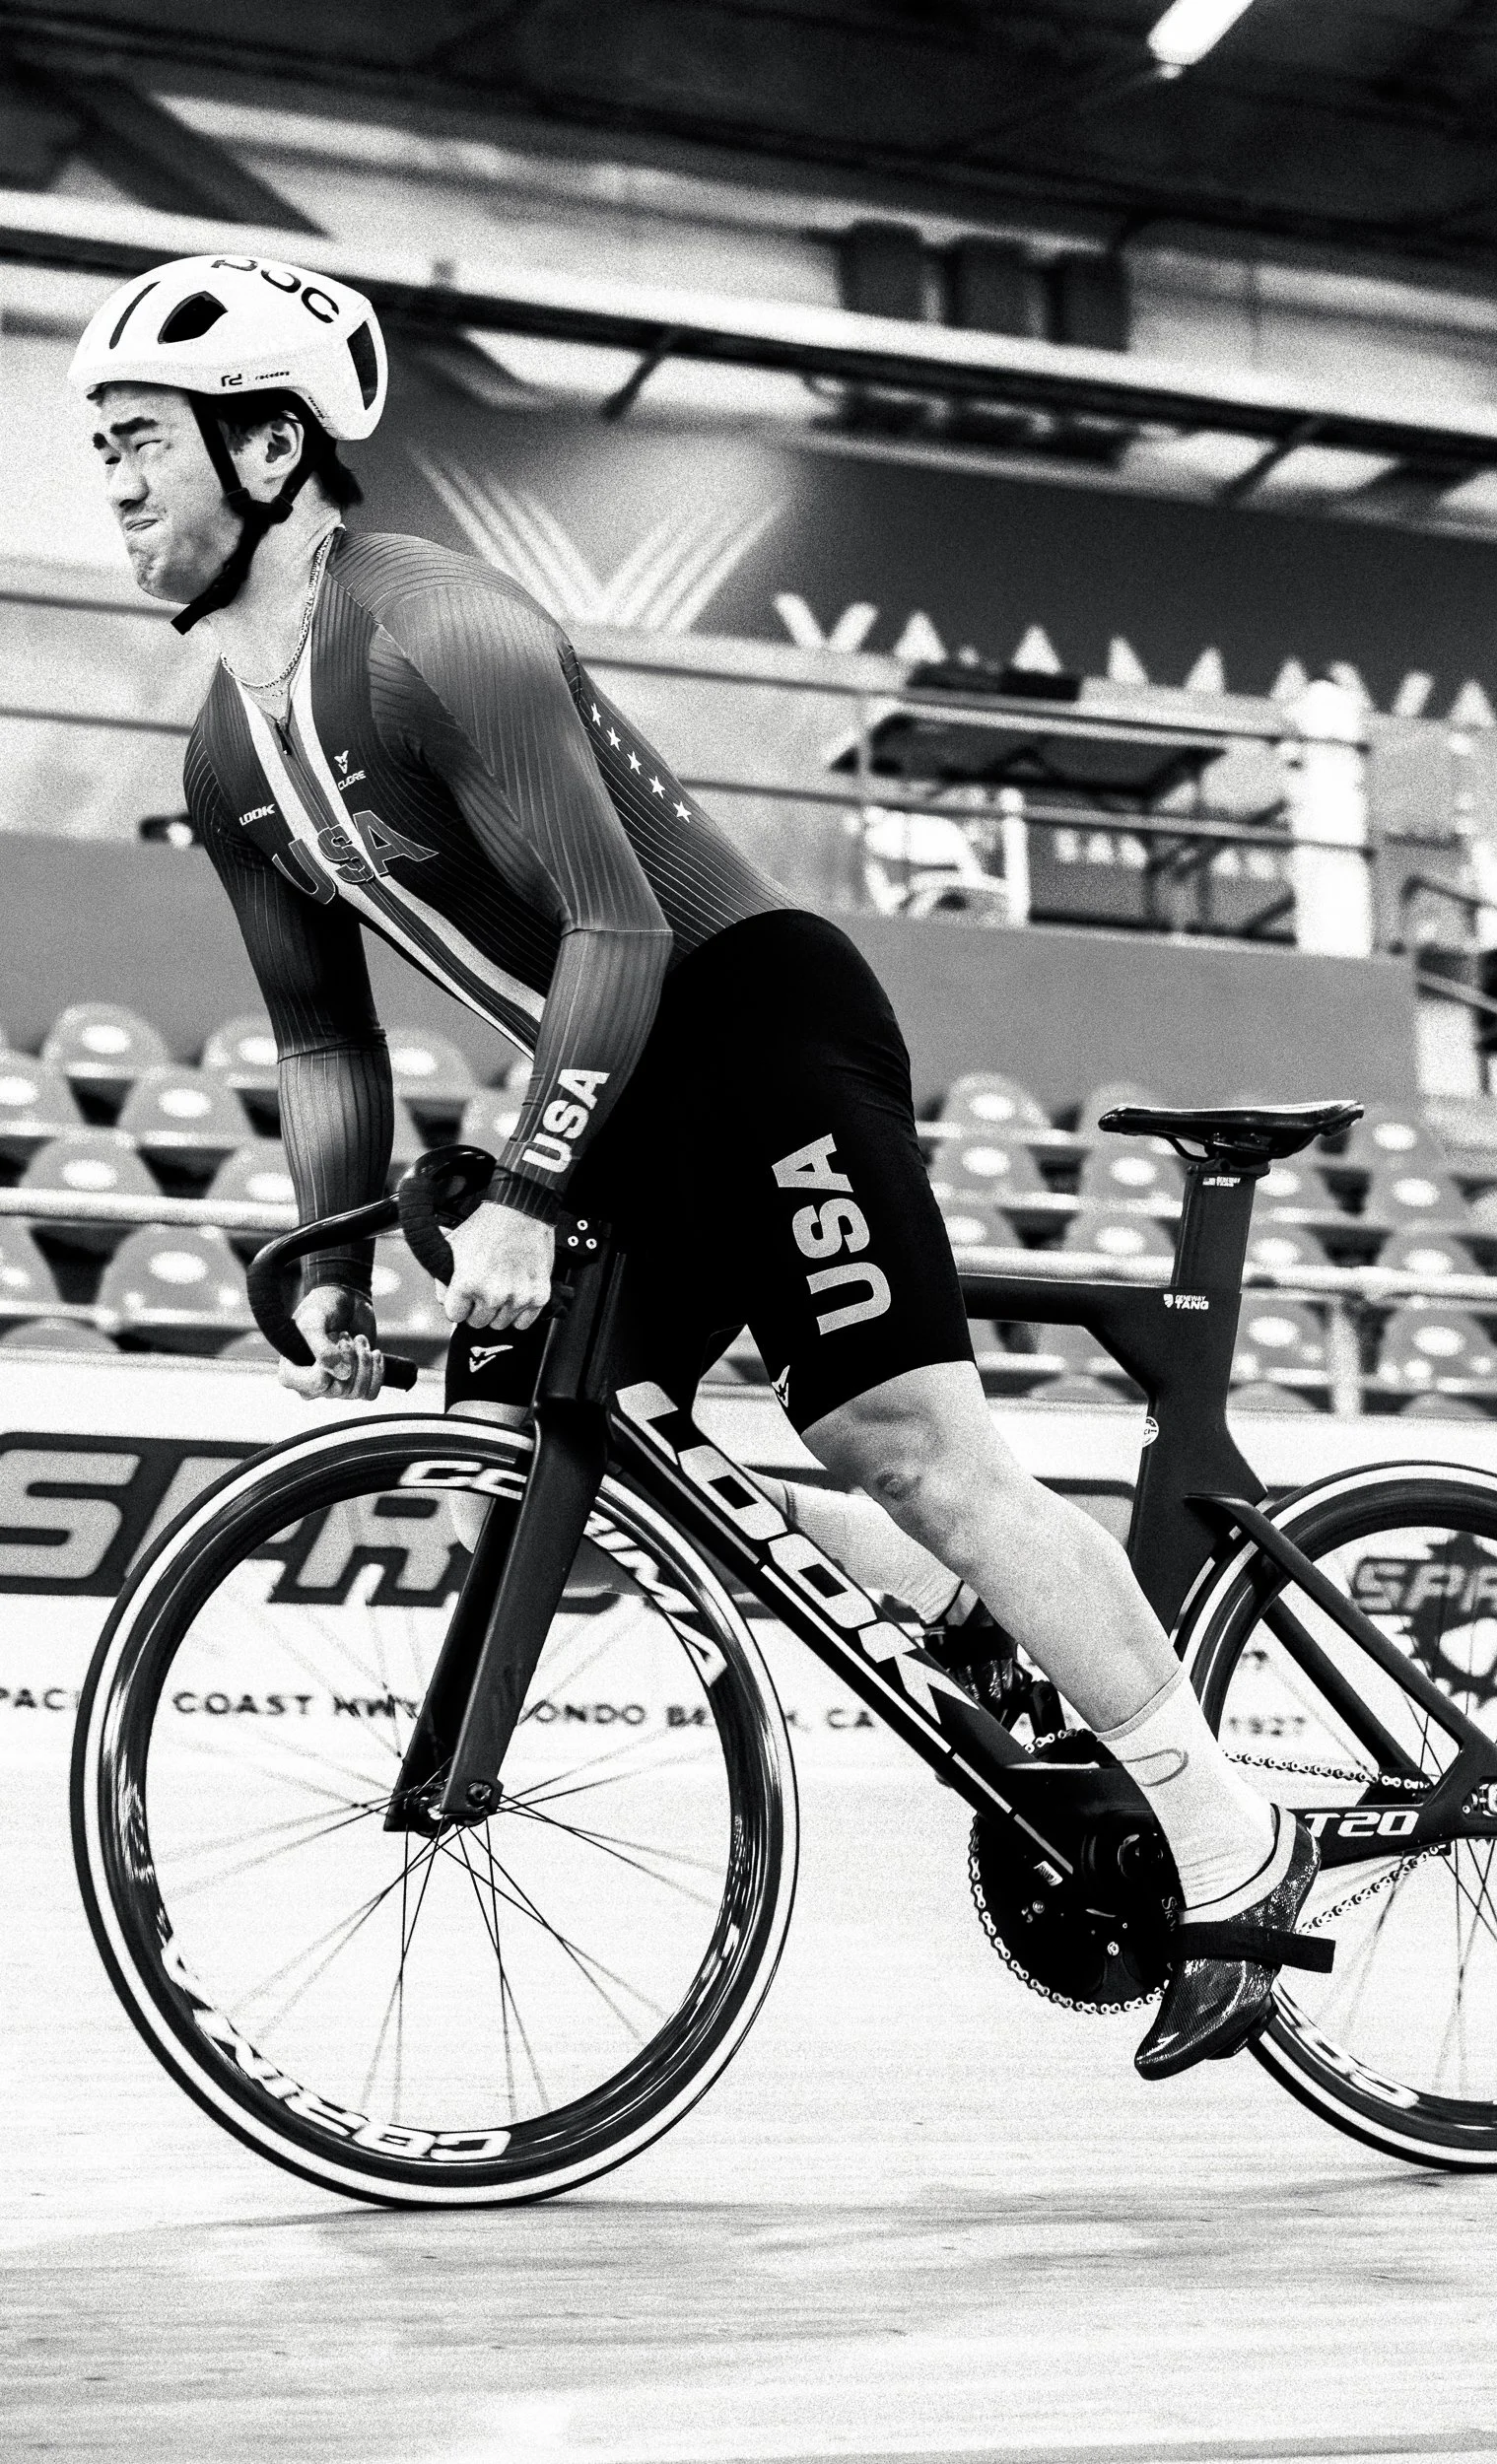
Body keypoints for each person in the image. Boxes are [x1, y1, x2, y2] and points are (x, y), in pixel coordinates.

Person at [72, 252, 1315, 2076]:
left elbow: (616, 932)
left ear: (271, 448)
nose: (110, 481)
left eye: (139, 441)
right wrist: (327, 1244)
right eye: (96, 443)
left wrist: (528, 1184)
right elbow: (323, 1036)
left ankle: (1234, 1846)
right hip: (626, 1079)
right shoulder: (221, 752)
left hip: (746, 1022)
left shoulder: (442, 632)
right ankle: (960, 1622)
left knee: (898, 1442)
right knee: (552, 1442)